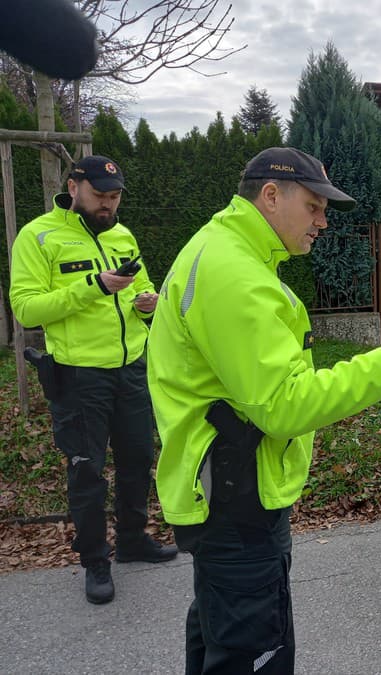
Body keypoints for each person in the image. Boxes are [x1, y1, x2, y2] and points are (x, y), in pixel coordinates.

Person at [146, 146, 381, 674]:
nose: (323, 221)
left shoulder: (232, 254)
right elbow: (285, 406)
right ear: (271, 196)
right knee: (252, 653)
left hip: (226, 485)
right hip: (236, 498)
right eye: (313, 206)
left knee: (221, 634)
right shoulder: (234, 274)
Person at [9, 155, 177, 606]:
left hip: (131, 367)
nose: (108, 203)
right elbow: (26, 309)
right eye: (101, 195)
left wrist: (150, 302)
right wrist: (93, 287)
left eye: (115, 195)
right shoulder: (39, 236)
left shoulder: (123, 234)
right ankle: (95, 559)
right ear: (74, 187)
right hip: (79, 374)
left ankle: (133, 539)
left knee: (138, 458)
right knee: (87, 471)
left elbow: (144, 286)